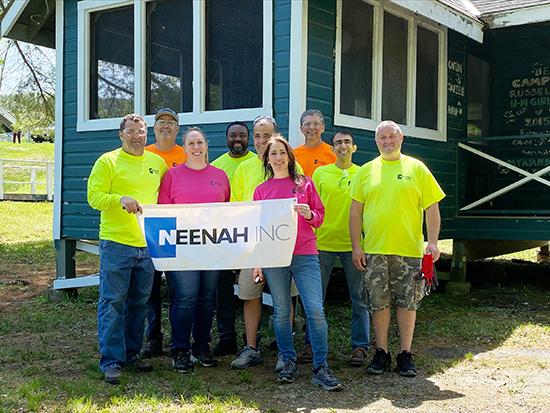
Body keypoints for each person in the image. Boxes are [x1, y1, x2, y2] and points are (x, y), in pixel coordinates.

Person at [349, 120, 445, 377]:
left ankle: (405, 354)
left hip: (409, 251)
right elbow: (355, 213)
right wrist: (357, 247)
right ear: (376, 140)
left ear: (401, 139)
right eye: (382, 137)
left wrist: (432, 242)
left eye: (392, 136)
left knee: (407, 303)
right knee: (378, 304)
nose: (387, 141)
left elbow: (432, 208)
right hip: (374, 251)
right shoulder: (366, 171)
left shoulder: (417, 168)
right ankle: (381, 352)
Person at [253, 135, 342, 391]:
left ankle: (320, 366)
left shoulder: (306, 184)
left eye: (282, 152)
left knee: (315, 310)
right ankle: (288, 360)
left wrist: (310, 214)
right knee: (281, 310)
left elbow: (320, 216)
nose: (278, 158)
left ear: (290, 157)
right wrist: (258, 260)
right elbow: (257, 228)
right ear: (267, 160)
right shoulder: (262, 190)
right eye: (273, 154)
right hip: (275, 256)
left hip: (305, 254)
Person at [87, 113, 167, 385]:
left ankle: (131, 354)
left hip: (147, 245)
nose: (136, 136)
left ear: (147, 134)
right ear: (121, 135)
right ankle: (111, 361)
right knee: (112, 302)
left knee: (139, 303)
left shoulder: (157, 162)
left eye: (141, 131)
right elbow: (94, 197)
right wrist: (118, 198)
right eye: (131, 131)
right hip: (116, 243)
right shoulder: (107, 161)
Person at [158, 127, 230, 373]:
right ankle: (180, 350)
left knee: (207, 298)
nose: (196, 148)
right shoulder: (172, 175)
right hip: (183, 248)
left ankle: (201, 346)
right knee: (186, 297)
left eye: (200, 142)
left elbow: (227, 211)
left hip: (212, 247)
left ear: (207, 145)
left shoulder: (220, 175)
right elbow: (163, 211)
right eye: (191, 143)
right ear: (184, 147)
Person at [229, 116, 299, 370]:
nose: (261, 141)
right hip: (251, 245)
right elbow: (236, 207)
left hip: (282, 244)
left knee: (285, 299)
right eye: (257, 136)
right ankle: (251, 348)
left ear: (276, 137)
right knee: (250, 295)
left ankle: (285, 350)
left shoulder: (290, 167)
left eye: (266, 135)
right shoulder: (244, 168)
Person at [309, 131, 370, 367]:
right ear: (331, 149)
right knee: (315, 299)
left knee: (359, 298)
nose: (342, 146)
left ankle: (360, 346)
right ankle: (310, 343)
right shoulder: (321, 173)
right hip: (322, 243)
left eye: (347, 142)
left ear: (354, 148)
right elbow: (313, 206)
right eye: (338, 143)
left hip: (355, 246)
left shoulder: (364, 173)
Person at [140, 108, 186, 359]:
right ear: (153, 128)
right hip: (152, 227)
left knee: (179, 287)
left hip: (179, 228)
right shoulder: (144, 153)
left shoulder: (185, 153)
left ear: (178, 129)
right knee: (151, 287)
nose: (166, 126)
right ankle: (153, 338)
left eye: (171, 122)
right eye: (160, 122)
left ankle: (179, 338)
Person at [211, 122, 257, 357]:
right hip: (225, 236)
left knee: (254, 288)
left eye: (242, 135)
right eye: (232, 135)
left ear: (249, 138)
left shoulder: (261, 162)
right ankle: (227, 336)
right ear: (226, 138)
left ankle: (253, 337)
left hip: (256, 236)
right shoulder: (217, 166)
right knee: (224, 288)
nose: (237, 139)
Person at [293, 109, 336, 177]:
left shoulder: (333, 153)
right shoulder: (293, 154)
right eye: (307, 124)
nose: (312, 127)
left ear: (323, 128)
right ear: (301, 128)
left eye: (316, 124)